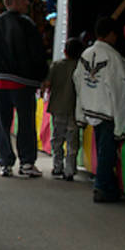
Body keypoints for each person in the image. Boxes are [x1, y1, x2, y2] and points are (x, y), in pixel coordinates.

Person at [0, 0, 48, 178]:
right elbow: (37, 54)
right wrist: (41, 77)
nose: (27, 5)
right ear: (16, 3)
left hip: (0, 83)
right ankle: (26, 163)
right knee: (26, 124)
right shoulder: (28, 25)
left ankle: (5, 163)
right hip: (23, 84)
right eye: (25, 1)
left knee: (1, 124)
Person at [73, 18, 125, 203]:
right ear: (110, 34)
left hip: (92, 109)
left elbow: (78, 81)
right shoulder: (113, 57)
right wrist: (121, 125)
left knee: (103, 150)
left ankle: (107, 185)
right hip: (107, 111)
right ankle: (102, 187)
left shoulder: (86, 53)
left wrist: (80, 113)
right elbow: (120, 88)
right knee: (107, 152)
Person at [43, 37, 84, 181]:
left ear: (65, 51)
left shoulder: (56, 65)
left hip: (57, 107)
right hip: (75, 109)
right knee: (72, 140)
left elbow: (47, 83)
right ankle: (70, 169)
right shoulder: (82, 67)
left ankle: (57, 166)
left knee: (57, 138)